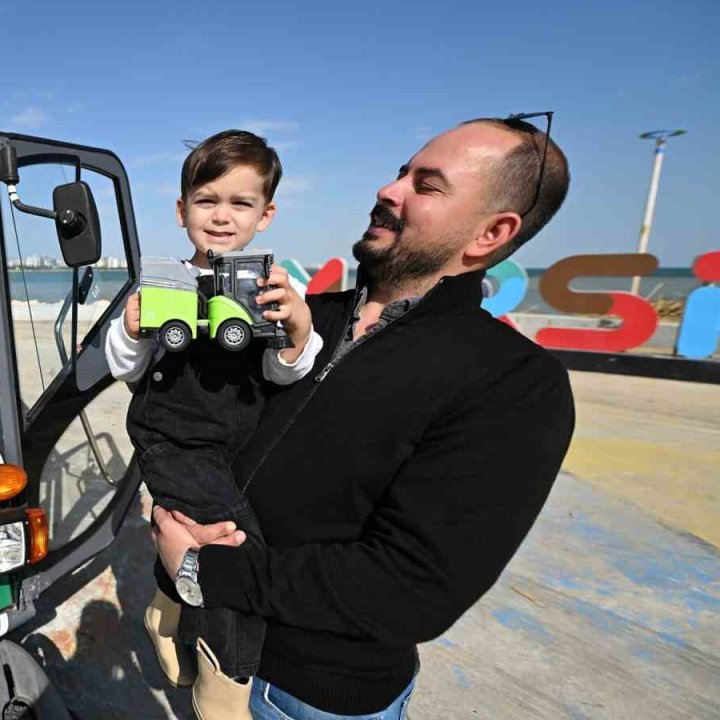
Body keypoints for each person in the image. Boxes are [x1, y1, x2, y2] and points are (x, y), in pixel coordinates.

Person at [153, 115, 576, 720]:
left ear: (491, 234)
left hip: (310, 696)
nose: (389, 188)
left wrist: (204, 572)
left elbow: (412, 588)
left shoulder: (513, 381)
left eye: (427, 185)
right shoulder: (293, 318)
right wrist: (172, 560)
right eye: (402, 171)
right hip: (209, 644)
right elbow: (195, 434)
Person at [104, 130, 322, 717]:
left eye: (240, 203)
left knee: (194, 528)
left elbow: (283, 374)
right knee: (238, 548)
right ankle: (227, 679)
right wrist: (128, 328)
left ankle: (168, 608)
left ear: (266, 214)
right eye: (206, 201)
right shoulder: (162, 281)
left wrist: (299, 335)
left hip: (240, 442)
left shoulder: (273, 284)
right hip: (175, 437)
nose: (222, 217)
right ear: (181, 212)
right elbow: (125, 368)